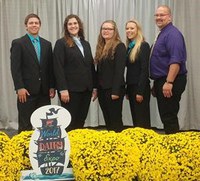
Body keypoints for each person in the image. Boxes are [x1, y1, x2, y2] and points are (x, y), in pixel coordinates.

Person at [10, 13, 55, 133]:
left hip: (44, 92)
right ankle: (24, 150)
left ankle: (42, 151)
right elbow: (15, 68)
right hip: (26, 92)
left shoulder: (47, 44)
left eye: (36, 23)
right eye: (31, 23)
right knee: (25, 124)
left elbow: (50, 68)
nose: (34, 25)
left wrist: (51, 86)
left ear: (40, 25)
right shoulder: (18, 43)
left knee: (45, 125)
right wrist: (19, 87)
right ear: (26, 26)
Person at [53, 14, 97, 132]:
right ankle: (69, 148)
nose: (73, 26)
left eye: (75, 23)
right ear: (66, 27)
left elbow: (90, 66)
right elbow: (58, 68)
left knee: (80, 121)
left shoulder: (85, 44)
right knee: (69, 122)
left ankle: (77, 146)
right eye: (70, 24)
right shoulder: (61, 43)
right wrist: (62, 89)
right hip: (70, 91)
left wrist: (94, 87)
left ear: (79, 25)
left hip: (86, 90)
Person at [150, 5, 187, 134]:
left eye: (162, 15)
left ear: (169, 17)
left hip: (172, 80)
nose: (159, 17)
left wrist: (169, 82)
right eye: (157, 15)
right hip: (163, 80)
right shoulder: (164, 33)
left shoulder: (173, 34)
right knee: (166, 115)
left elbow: (176, 60)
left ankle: (174, 149)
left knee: (169, 116)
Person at [95, 20, 126, 132]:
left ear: (114, 31)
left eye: (109, 29)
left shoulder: (119, 46)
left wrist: (115, 91)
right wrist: (96, 89)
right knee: (108, 120)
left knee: (115, 120)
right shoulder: (101, 46)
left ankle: (119, 146)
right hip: (103, 90)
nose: (106, 31)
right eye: (104, 29)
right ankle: (111, 145)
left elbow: (119, 70)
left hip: (114, 90)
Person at [125, 20, 151, 128]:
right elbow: (131, 70)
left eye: (132, 28)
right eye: (127, 28)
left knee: (142, 120)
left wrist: (140, 91)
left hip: (140, 88)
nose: (129, 30)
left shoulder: (143, 45)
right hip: (131, 87)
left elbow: (144, 70)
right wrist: (127, 89)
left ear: (138, 30)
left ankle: (146, 143)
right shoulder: (130, 47)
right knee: (136, 119)